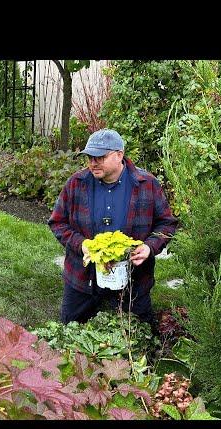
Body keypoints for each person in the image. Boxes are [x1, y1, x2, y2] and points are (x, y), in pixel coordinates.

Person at [48, 129, 178, 325]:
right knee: (71, 333)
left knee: (138, 337)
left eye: (100, 157)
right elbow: (57, 222)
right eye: (90, 157)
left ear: (119, 155)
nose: (93, 162)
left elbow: (167, 223)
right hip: (83, 279)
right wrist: (82, 245)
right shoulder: (76, 183)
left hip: (134, 280)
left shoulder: (147, 184)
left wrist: (149, 247)